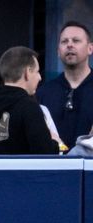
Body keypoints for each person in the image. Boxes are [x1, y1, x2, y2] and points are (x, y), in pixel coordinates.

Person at [0, 47, 59, 154]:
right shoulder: (29, 108)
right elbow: (45, 154)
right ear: (27, 73)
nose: (40, 78)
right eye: (37, 72)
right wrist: (55, 143)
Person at [37, 21, 93, 150]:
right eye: (64, 41)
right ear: (58, 51)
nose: (69, 45)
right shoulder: (43, 93)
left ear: (90, 48)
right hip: (54, 167)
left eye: (76, 40)